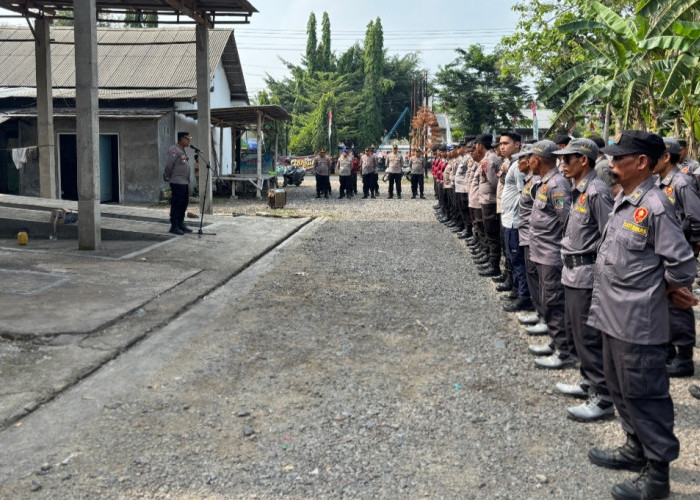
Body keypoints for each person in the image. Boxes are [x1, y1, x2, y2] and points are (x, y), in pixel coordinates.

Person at [586, 131, 698, 500]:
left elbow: (682, 266)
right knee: (622, 391)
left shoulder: (655, 205)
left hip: (638, 323)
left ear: (641, 162)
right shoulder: (626, 200)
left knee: (646, 397)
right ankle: (635, 448)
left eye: (619, 158)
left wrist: (662, 290)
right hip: (611, 316)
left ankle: (657, 476)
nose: (611, 164)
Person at [552, 138, 614, 421]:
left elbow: (608, 237)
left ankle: (601, 396)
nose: (562, 164)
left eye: (568, 159)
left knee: (588, 337)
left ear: (584, 160)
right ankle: (588, 381)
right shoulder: (580, 189)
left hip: (587, 275)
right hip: (572, 273)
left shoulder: (597, 191)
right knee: (576, 332)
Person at [654, 137, 700, 377]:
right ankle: (669, 351)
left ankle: (684, 358)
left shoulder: (681, 181)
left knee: (679, 303)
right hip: (664, 252)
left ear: (666, 157)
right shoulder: (660, 182)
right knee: (666, 303)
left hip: (680, 252)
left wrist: (691, 250)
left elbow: (696, 219)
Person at [527, 140, 573, 369]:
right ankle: (556, 343)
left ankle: (563, 351)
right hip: (540, 251)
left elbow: (567, 222)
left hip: (551, 254)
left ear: (539, 159)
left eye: (531, 157)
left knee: (554, 302)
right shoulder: (545, 182)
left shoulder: (557, 184)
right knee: (548, 300)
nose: (527, 162)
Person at [501, 144, 533, 312]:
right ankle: (517, 290)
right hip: (509, 220)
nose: (520, 161)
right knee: (513, 259)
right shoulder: (518, 169)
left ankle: (524, 296)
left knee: (519, 262)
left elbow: (524, 199)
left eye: (523, 158)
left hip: (516, 221)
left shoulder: (522, 173)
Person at [474, 134, 503, 277]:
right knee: (488, 232)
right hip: (486, 200)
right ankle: (491, 259)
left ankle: (494, 265)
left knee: (492, 233)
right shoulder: (487, 159)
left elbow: (494, 183)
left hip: (490, 201)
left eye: (476, 145)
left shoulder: (490, 160)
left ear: (480, 145)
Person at [163, 131, 193, 235]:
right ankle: (174, 225)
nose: (189, 141)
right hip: (177, 182)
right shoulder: (174, 150)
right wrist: (167, 176)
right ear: (182, 139)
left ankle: (181, 223)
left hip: (184, 182)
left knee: (184, 203)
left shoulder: (182, 150)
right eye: (187, 139)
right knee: (177, 204)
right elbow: (169, 165)